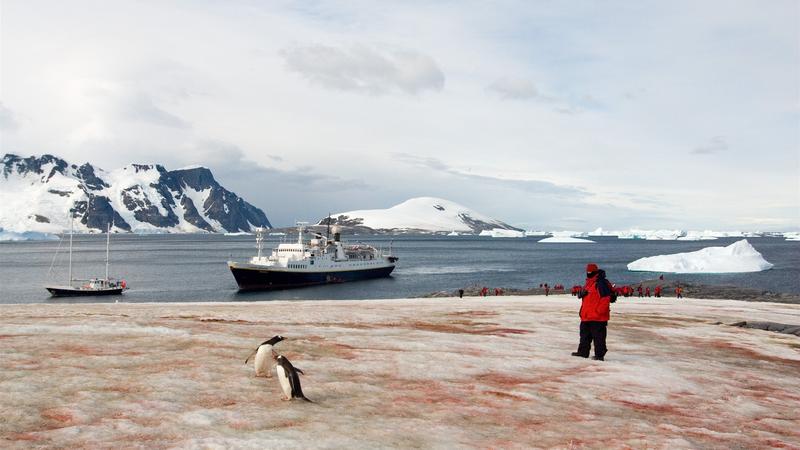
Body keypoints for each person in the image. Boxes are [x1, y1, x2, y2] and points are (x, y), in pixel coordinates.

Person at [572, 263, 612, 361]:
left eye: (590, 271)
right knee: (584, 336)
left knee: (599, 337)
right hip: (586, 315)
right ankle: (583, 352)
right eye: (587, 271)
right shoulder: (589, 283)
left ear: (595, 272)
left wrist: (599, 311)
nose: (588, 273)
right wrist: (581, 294)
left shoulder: (601, 283)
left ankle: (599, 355)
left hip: (597, 317)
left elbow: (606, 298)